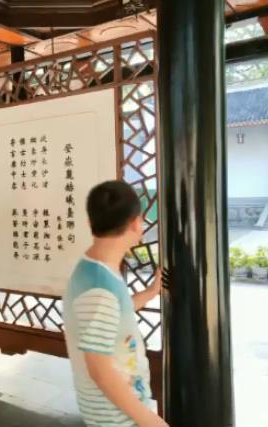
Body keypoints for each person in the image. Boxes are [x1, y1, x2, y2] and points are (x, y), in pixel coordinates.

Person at [62, 180, 168, 427]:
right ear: (136, 223)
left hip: (113, 412)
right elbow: (100, 371)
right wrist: (151, 422)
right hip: (116, 417)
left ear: (91, 223)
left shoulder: (94, 268)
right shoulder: (100, 288)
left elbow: (114, 313)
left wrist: (151, 292)